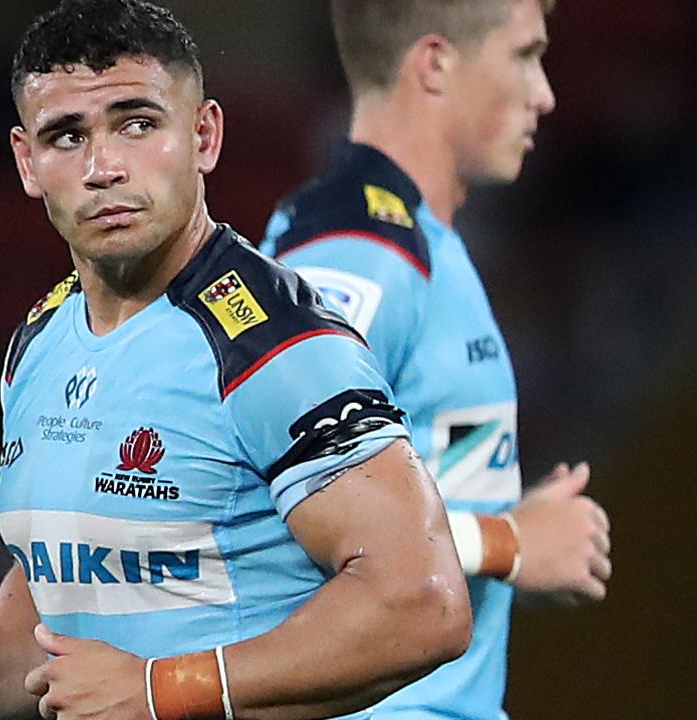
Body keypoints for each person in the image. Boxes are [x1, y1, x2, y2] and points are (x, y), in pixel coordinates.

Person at [0, 2, 473, 720]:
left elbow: (423, 605)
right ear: (27, 162)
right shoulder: (37, 344)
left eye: (136, 124)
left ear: (203, 135)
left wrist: (161, 690)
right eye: (67, 136)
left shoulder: (277, 348)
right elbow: (63, 578)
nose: (103, 167)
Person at [259, 1, 612, 719]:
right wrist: (508, 541)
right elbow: (271, 518)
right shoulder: (358, 252)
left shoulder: (418, 240)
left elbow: (379, 482)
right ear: (434, 63)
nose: (543, 91)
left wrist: (500, 515)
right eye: (522, 55)